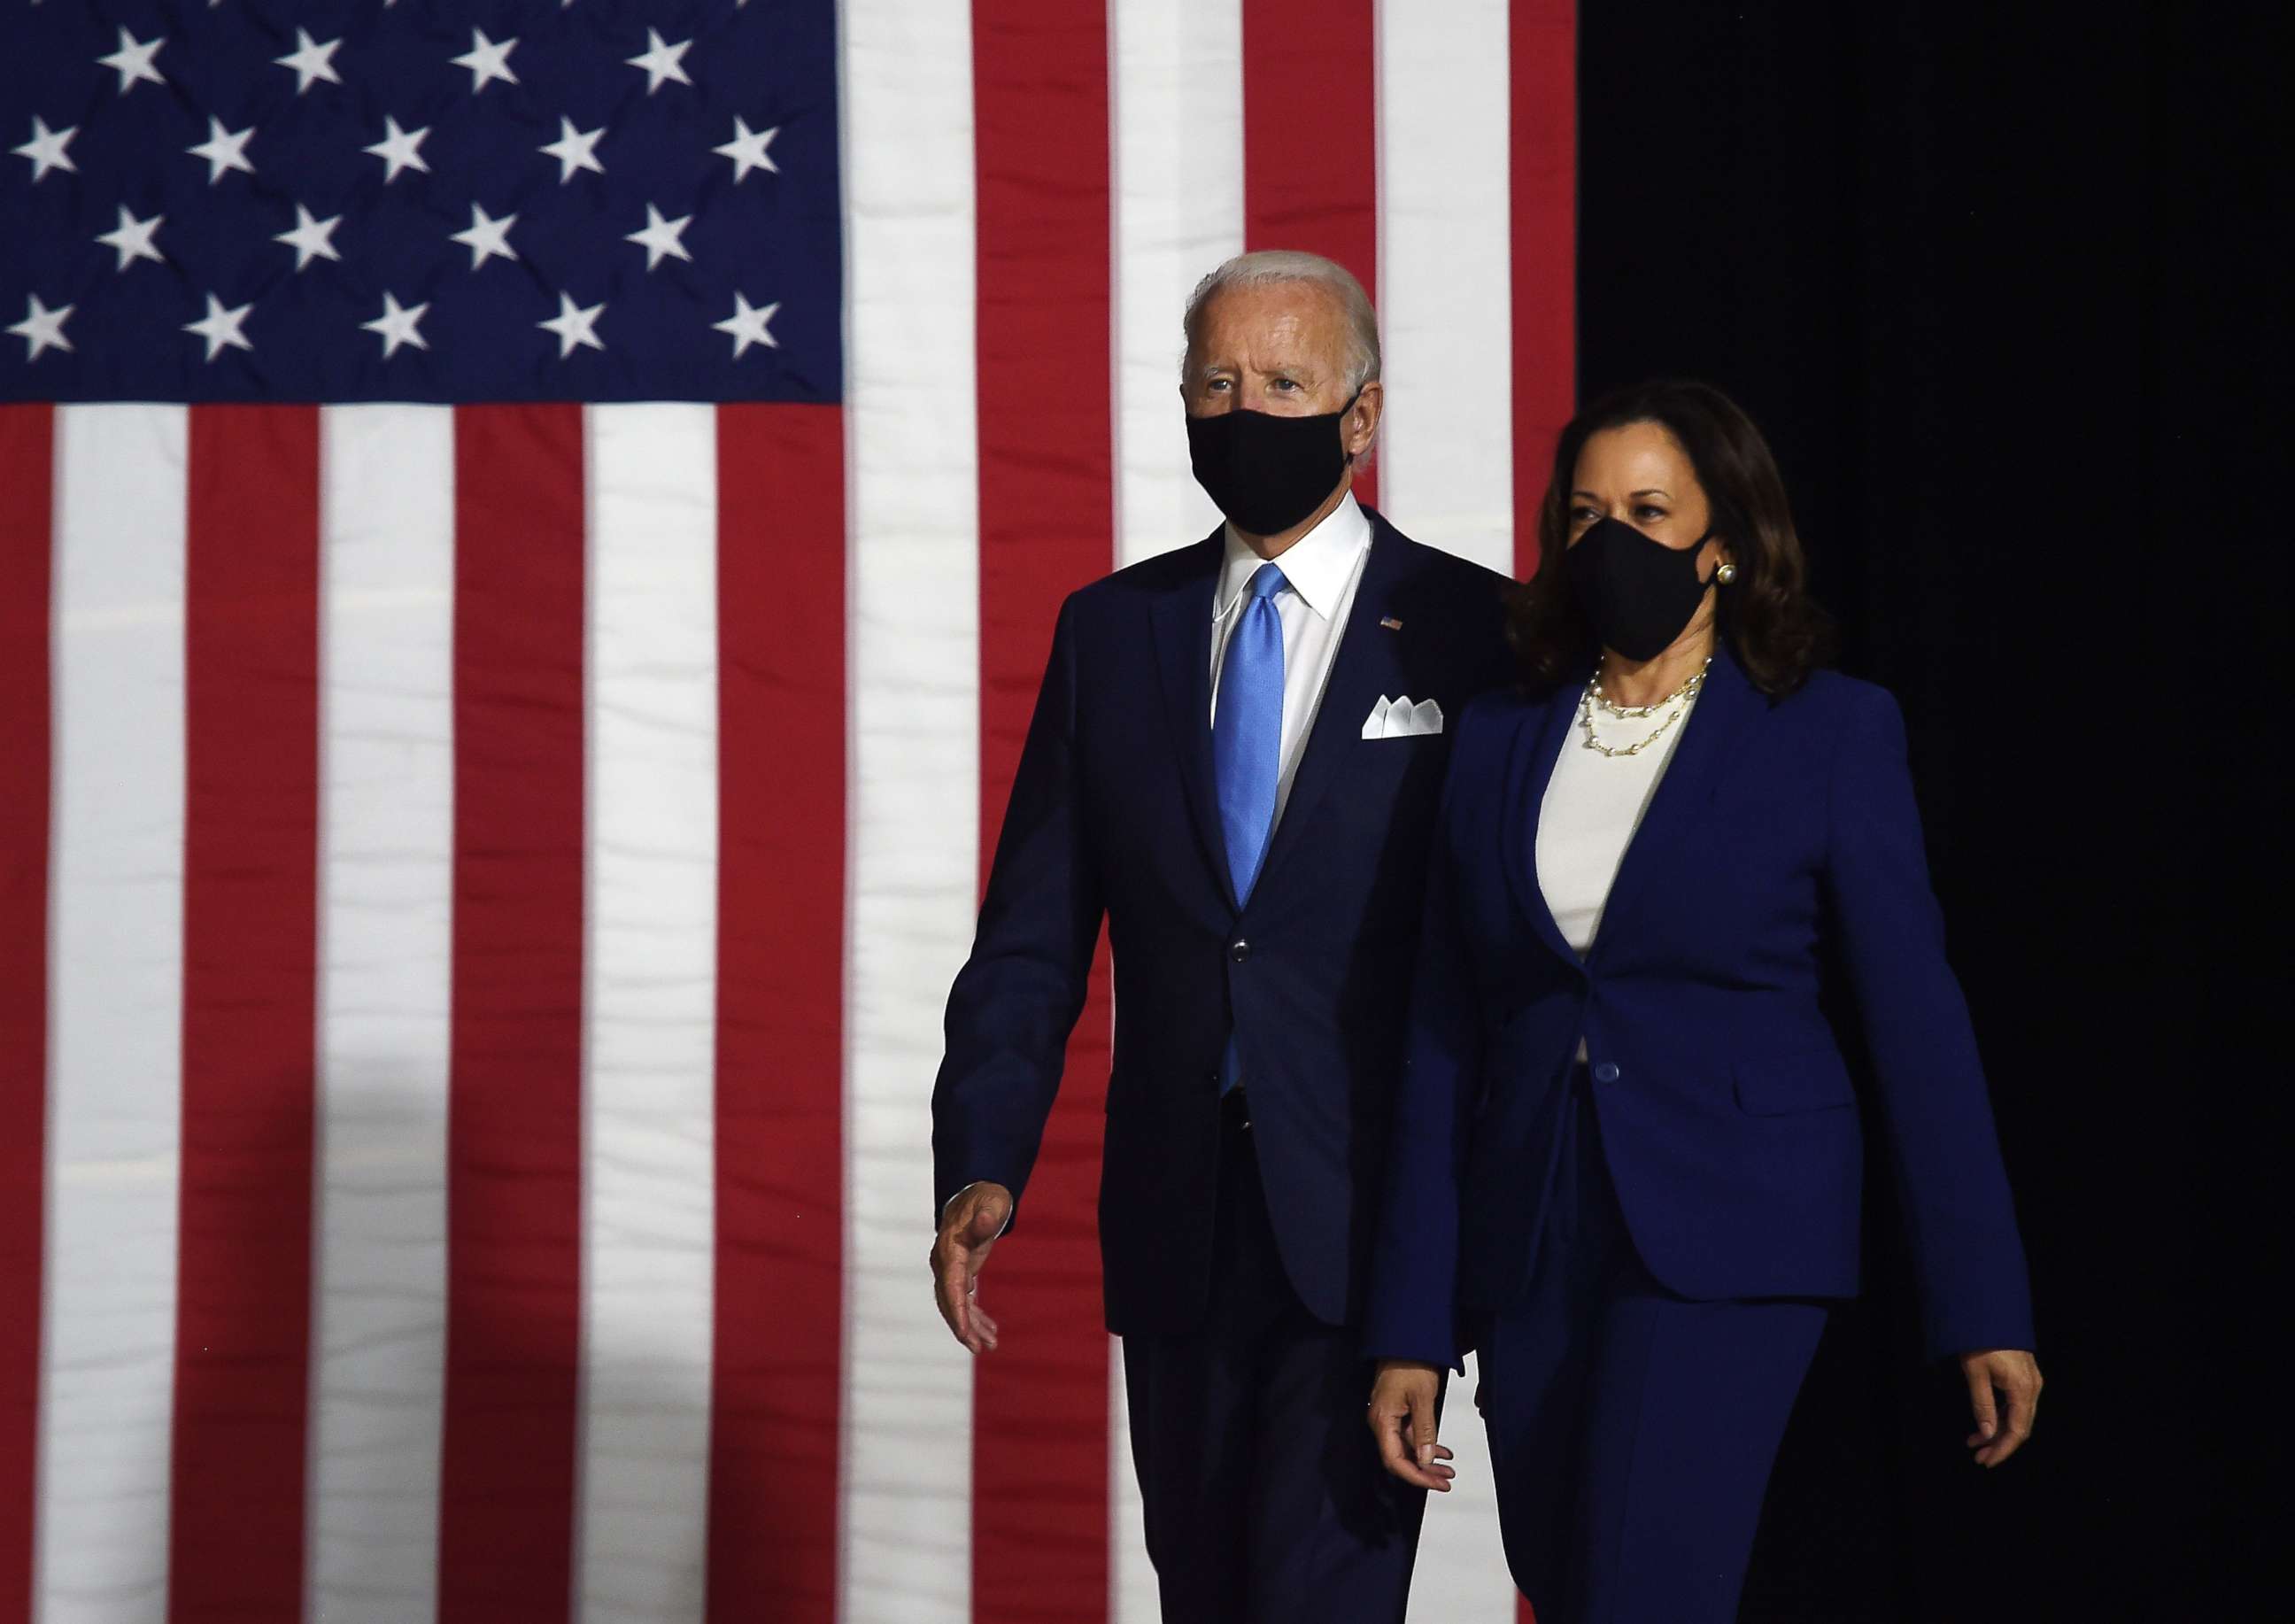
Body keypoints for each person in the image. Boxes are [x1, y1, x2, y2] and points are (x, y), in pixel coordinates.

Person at [1362, 379, 2043, 1623]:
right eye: (1584, 513)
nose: (1609, 539)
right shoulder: (1502, 740)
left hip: (1729, 1235)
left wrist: (1982, 1298)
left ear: (1722, 542)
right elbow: (1441, 1032)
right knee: (1570, 1584)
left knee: (1638, 1592)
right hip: (1531, 1239)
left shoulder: (1828, 732)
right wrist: (1409, 1323)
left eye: (1648, 508)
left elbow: (1919, 1029)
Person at [929, 250, 1515, 1622]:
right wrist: (982, 1161)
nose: (1244, 410)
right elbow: (1030, 937)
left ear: (1361, 418)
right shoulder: (1109, 633)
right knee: (1203, 1592)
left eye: (1284, 383)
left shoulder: (1475, 634)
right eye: (1216, 383)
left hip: (1375, 1222)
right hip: (1177, 1222)